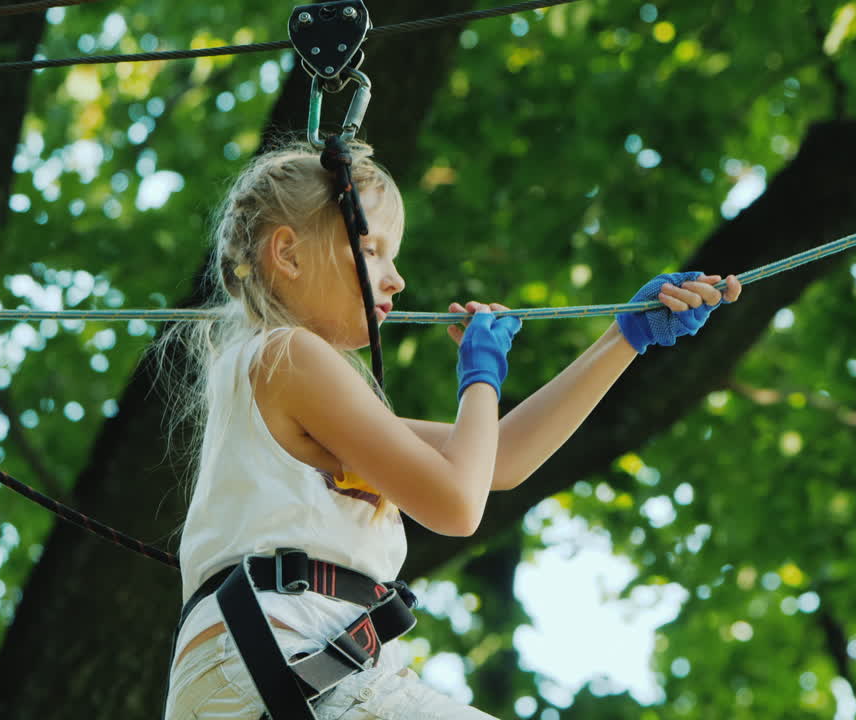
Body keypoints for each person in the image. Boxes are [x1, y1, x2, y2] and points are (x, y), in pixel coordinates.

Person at [161, 139, 742, 720]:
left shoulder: (279, 378)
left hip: (264, 669)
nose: (396, 280)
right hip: (284, 657)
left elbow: (501, 460)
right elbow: (458, 505)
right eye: (371, 250)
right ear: (287, 253)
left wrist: (625, 338)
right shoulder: (291, 355)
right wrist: (480, 374)